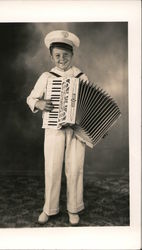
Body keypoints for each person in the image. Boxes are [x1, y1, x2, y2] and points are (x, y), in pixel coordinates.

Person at [27, 30, 89, 225]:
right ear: (51, 56)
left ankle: (73, 208)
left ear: (72, 55)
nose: (62, 59)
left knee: (75, 167)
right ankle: (50, 208)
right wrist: (39, 104)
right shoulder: (46, 77)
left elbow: (90, 104)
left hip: (76, 131)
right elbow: (31, 98)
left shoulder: (81, 76)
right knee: (52, 168)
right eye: (57, 56)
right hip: (53, 129)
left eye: (66, 55)